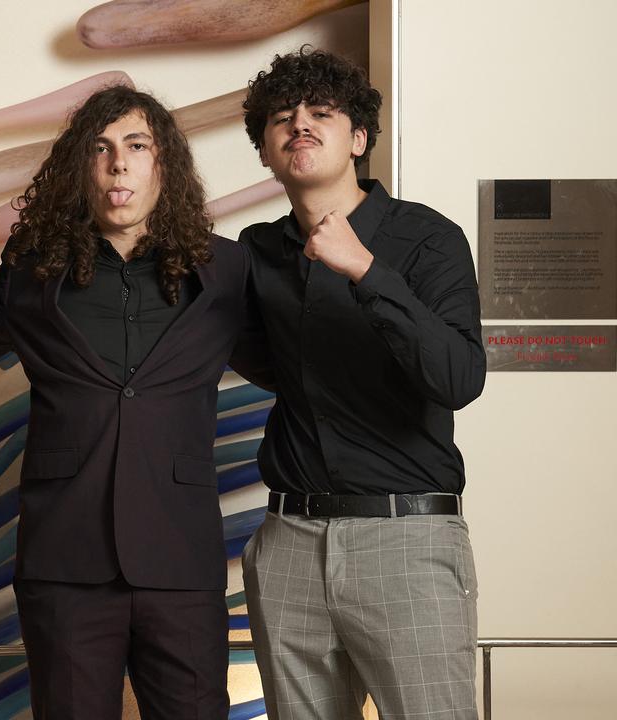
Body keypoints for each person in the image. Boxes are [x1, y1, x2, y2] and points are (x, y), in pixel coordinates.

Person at [0, 85, 246, 720]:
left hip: (182, 562)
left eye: (137, 146)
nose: (119, 162)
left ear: (162, 164)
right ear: (81, 167)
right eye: (102, 148)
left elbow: (295, 365)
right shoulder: (33, 272)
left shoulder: (226, 271)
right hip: (65, 562)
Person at [233, 46, 486, 720]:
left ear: (360, 139)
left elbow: (459, 378)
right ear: (265, 150)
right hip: (288, 542)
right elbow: (261, 360)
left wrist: (366, 272)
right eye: (283, 117)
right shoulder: (255, 254)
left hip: (406, 540)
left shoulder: (428, 240)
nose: (301, 125)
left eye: (322, 113)